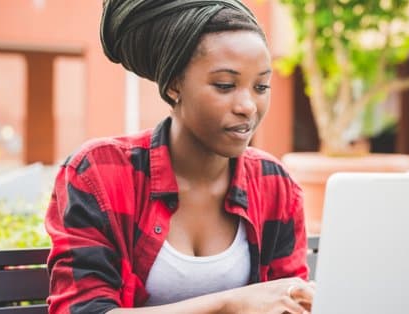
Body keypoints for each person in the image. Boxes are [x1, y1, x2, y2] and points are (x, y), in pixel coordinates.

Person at [45, 0, 315, 313]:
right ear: (174, 86)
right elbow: (81, 310)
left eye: (261, 86)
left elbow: (290, 302)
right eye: (225, 85)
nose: (248, 106)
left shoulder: (274, 183)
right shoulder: (99, 172)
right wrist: (230, 304)